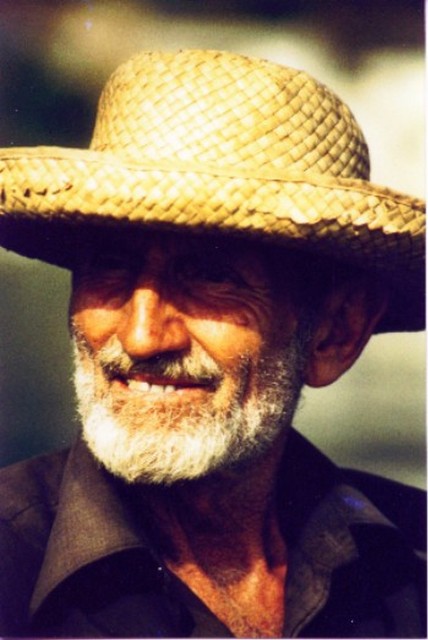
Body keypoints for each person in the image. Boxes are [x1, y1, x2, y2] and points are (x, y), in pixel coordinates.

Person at [0, 49, 425, 638]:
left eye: (209, 276)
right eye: (110, 267)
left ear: (335, 332)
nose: (141, 336)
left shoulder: (409, 560)